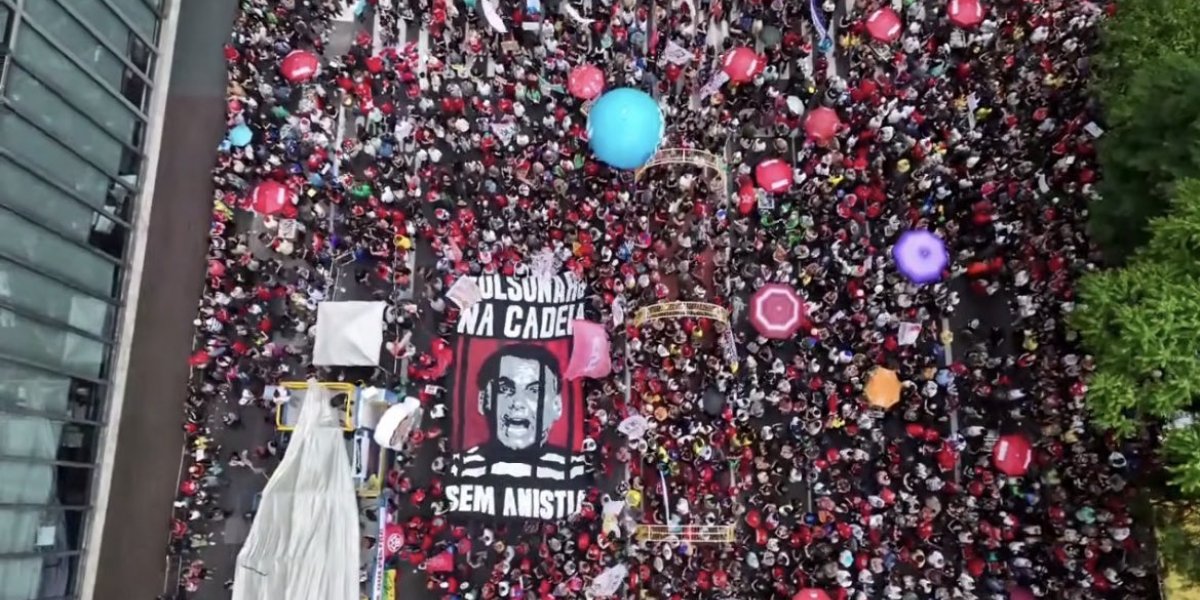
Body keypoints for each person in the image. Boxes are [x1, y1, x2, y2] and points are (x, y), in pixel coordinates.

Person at [451, 343, 585, 480]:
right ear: (482, 401)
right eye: (504, 389)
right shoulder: (457, 469)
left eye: (535, 391)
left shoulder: (576, 472)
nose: (518, 403)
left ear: (557, 405)